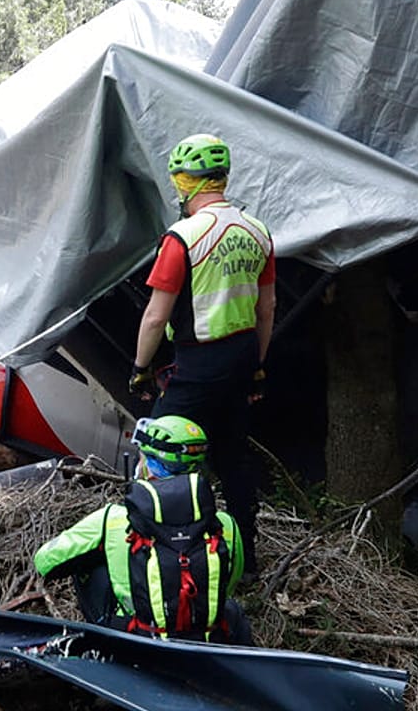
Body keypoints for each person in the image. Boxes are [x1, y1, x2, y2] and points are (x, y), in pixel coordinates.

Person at [129, 133, 275, 576]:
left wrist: (139, 369)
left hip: (196, 362)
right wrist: (257, 369)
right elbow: (266, 308)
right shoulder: (258, 231)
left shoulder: (182, 237)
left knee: (156, 450)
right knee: (233, 457)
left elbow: (156, 318)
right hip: (242, 358)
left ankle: (150, 554)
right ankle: (246, 560)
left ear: (185, 183)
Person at [34, 415, 251, 645]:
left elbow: (45, 561)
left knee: (90, 562)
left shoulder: (113, 520)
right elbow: (228, 584)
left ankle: (102, 645)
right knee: (232, 609)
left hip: (136, 638)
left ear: (149, 465)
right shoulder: (225, 524)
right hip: (205, 640)